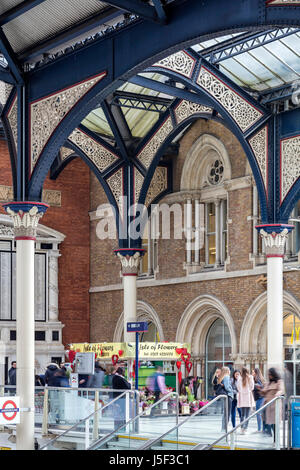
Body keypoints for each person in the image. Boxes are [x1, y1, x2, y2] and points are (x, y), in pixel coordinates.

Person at [259, 368, 284, 442]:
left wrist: (278, 394)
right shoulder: (268, 383)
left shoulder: (279, 381)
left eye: (270, 374)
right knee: (266, 420)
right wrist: (260, 390)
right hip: (267, 405)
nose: (269, 376)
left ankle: (276, 440)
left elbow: (281, 390)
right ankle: (268, 432)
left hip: (275, 405)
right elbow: (264, 392)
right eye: (268, 374)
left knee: (275, 424)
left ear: (274, 374)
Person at [237, 367, 255, 434]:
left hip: (242, 397)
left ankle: (242, 428)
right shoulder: (250, 377)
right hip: (248, 397)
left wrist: (242, 391)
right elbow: (252, 387)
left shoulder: (239, 378)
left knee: (242, 415)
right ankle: (245, 429)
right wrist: (248, 390)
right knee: (247, 415)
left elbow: (238, 387)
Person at [217, 366, 234, 432]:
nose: (230, 371)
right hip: (228, 396)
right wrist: (231, 391)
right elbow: (227, 387)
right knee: (227, 413)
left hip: (225, 396)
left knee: (225, 413)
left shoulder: (222, 377)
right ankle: (225, 428)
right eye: (229, 370)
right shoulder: (226, 377)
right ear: (227, 371)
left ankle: (223, 427)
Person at [252, 368, 265, 433]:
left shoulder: (257, 379)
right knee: (260, 413)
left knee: (258, 413)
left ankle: (259, 428)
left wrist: (254, 385)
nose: (252, 374)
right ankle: (262, 428)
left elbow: (261, 386)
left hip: (260, 398)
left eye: (253, 372)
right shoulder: (260, 379)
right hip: (260, 398)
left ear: (256, 373)